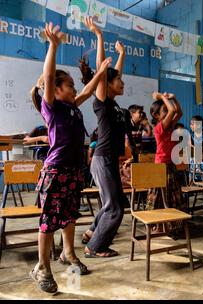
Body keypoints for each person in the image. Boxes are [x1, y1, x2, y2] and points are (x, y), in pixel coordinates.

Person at [30, 19, 111, 293]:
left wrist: (100, 73)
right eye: (70, 86)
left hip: (74, 171)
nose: (75, 89)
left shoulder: (72, 107)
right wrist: (53, 46)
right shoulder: (51, 107)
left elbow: (88, 91)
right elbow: (50, 77)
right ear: (57, 90)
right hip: (56, 171)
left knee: (69, 216)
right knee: (49, 220)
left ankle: (68, 253)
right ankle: (42, 266)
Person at [82, 19, 131, 258]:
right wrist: (99, 36)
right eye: (118, 80)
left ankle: (92, 232)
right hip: (102, 159)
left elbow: (113, 73)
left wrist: (121, 54)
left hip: (109, 160)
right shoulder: (101, 102)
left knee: (115, 201)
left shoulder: (112, 103)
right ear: (108, 85)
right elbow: (104, 73)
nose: (122, 81)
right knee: (115, 209)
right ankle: (95, 247)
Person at [148, 92, 184, 210]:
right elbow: (173, 111)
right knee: (160, 194)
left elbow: (179, 112)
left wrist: (174, 98)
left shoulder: (170, 126)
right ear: (156, 115)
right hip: (161, 165)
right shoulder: (159, 128)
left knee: (172, 194)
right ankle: (156, 224)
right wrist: (162, 97)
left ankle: (173, 223)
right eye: (165, 110)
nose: (168, 112)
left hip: (170, 164)